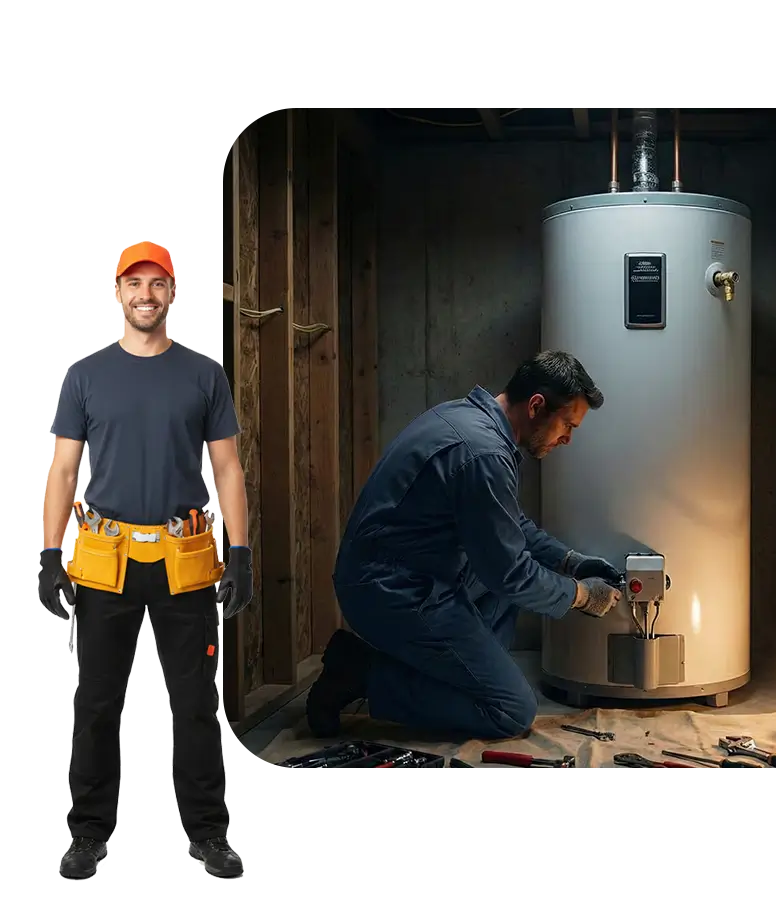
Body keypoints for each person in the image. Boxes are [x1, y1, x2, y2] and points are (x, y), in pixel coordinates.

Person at [38, 241, 253, 881]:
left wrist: (238, 550)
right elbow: (63, 469)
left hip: (185, 557)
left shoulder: (203, 374)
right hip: (106, 558)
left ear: (172, 293)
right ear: (117, 292)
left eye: (157, 283)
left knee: (194, 705)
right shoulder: (85, 376)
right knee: (96, 703)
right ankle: (87, 835)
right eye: (134, 283)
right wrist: (50, 555)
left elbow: (228, 467)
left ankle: (209, 837)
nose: (145, 295)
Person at [306, 349, 623, 741]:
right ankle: (360, 675)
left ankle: (464, 676)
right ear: (537, 405)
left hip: (410, 572)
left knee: (513, 582)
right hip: (391, 591)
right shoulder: (483, 453)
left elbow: (510, 528)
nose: (568, 439)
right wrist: (581, 596)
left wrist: (573, 562)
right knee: (511, 710)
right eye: (567, 425)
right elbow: (509, 573)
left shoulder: (469, 419)